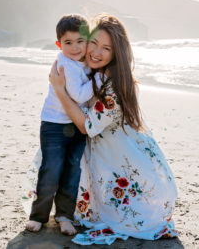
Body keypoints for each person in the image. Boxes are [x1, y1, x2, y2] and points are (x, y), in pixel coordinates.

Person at [48, 14, 178, 245]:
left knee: (127, 212)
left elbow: (87, 126)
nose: (96, 52)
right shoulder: (88, 70)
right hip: (100, 151)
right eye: (94, 43)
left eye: (106, 48)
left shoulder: (115, 84)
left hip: (120, 154)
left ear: (116, 52)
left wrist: (59, 91)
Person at [25, 14, 101, 235]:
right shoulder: (64, 64)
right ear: (59, 44)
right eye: (68, 43)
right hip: (54, 125)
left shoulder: (85, 62)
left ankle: (64, 216)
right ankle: (38, 216)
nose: (75, 48)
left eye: (80, 41)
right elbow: (77, 95)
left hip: (77, 125)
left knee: (72, 170)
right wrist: (98, 80)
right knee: (51, 170)